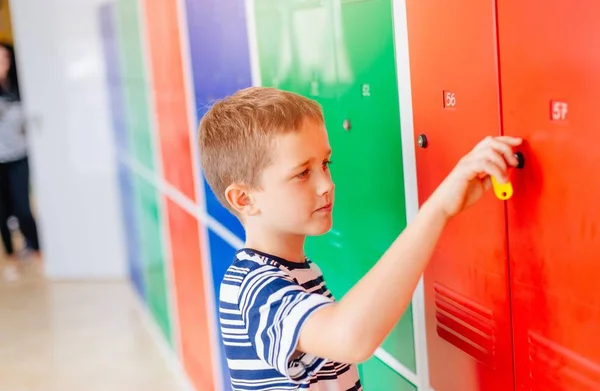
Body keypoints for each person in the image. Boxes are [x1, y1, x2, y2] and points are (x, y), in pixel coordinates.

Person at [198, 86, 522, 390]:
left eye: (325, 164)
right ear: (244, 199)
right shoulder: (254, 288)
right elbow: (351, 338)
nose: (326, 184)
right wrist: (437, 210)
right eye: (302, 173)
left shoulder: (298, 270)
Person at [0, 42, 41, 281]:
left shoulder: (20, 86)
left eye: (5, 57)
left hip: (19, 157)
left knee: (23, 208)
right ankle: (12, 255)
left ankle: (35, 247)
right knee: (2, 211)